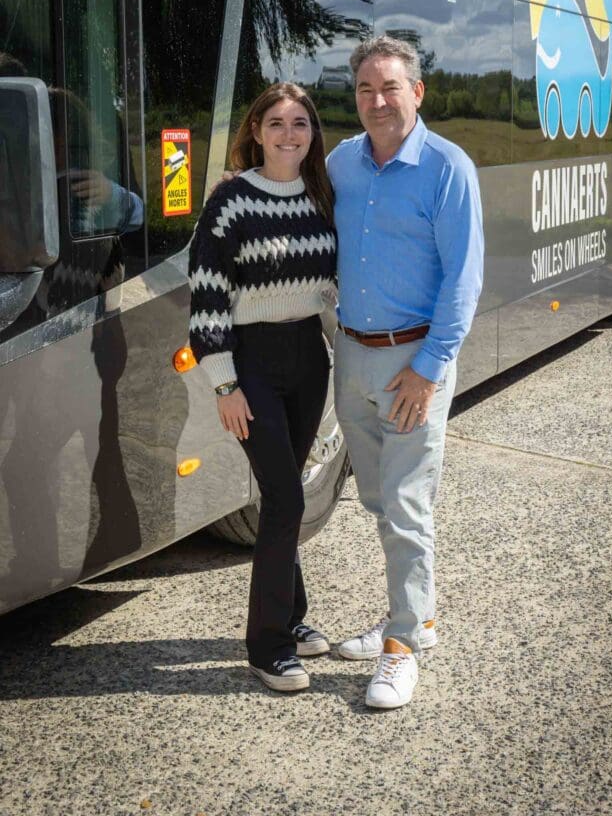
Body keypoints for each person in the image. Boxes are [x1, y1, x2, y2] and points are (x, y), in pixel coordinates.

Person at [329, 35, 484, 710]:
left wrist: (428, 369)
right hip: (352, 355)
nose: (377, 100)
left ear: (416, 92)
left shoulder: (447, 167)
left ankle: (401, 650)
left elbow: (463, 279)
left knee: (406, 506)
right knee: (377, 503)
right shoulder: (340, 163)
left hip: (410, 362)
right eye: (365, 88)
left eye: (390, 87)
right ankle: (411, 615)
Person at [188, 83, 337, 692]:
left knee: (287, 495)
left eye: (299, 122)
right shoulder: (229, 202)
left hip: (309, 356)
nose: (288, 133)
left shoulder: (324, 198)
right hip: (250, 361)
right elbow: (207, 295)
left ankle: (292, 616)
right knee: (285, 498)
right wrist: (224, 383)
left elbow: (331, 292)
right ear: (255, 130)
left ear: (311, 134)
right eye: (275, 122)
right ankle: (268, 645)